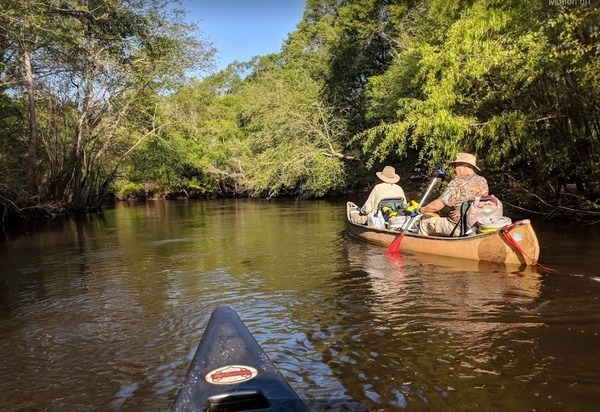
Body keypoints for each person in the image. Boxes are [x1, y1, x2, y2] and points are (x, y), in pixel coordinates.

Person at [418, 153, 488, 236]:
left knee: (424, 220)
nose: (454, 169)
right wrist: (445, 178)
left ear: (465, 166)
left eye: (456, 166)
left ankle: (425, 247)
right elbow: (465, 188)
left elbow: (436, 206)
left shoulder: (456, 182)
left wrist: (420, 210)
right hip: (475, 225)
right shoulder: (482, 180)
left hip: (456, 227)